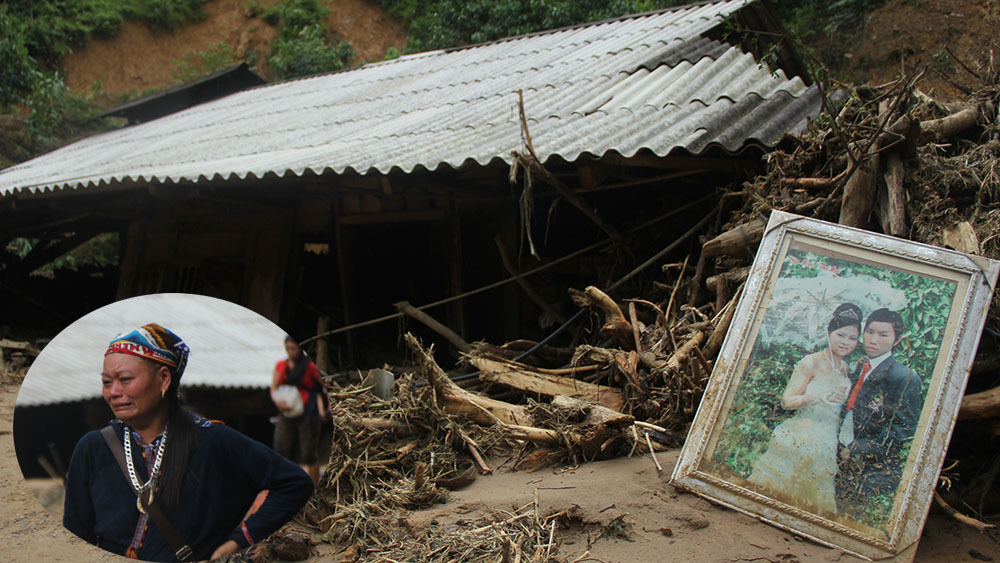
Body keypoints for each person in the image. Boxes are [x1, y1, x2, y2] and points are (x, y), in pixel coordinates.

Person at [63, 324, 314, 562]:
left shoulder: (213, 440)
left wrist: (236, 542)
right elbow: (75, 536)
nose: (113, 392)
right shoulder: (93, 447)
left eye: (125, 379)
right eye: (107, 382)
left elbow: (294, 483)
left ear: (163, 379)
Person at [747, 303, 862, 513]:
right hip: (802, 435)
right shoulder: (812, 362)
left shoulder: (845, 368)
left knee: (813, 493)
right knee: (779, 483)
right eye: (841, 335)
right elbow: (787, 401)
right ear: (829, 332)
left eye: (852, 338)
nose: (845, 342)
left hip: (826, 439)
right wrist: (815, 396)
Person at [836, 308, 923, 520]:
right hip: (838, 450)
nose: (873, 340)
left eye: (883, 335)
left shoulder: (904, 377)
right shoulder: (859, 366)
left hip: (871, 467)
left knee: (851, 517)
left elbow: (905, 429)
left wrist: (858, 448)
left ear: (896, 340)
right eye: (869, 332)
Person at [271, 336, 327, 485]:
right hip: (287, 411)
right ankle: (282, 484)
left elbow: (322, 387)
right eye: (288, 349)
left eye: (293, 349)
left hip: (308, 412)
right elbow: (274, 389)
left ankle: (315, 486)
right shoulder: (281, 366)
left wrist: (323, 408)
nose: (290, 352)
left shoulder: (309, 366)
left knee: (309, 453)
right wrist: (279, 403)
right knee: (281, 447)